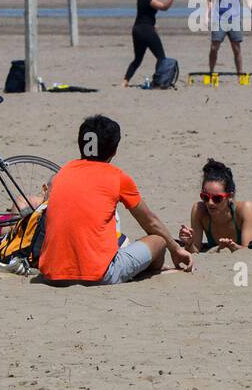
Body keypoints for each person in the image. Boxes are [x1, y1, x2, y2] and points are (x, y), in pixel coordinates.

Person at [37, 115, 192, 284]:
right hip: (99, 275)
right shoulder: (117, 177)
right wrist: (175, 249)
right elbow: (150, 222)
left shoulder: (63, 172)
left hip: (51, 274)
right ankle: (150, 271)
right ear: (114, 150)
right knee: (158, 240)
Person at [179, 158, 252, 251]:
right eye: (205, 197)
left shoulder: (246, 208)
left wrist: (234, 247)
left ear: (229, 196)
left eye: (217, 198)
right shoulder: (199, 210)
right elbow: (196, 251)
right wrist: (189, 243)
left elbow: (248, 251)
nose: (210, 203)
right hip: (247, 224)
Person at [123, 0, 177, 86]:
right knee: (161, 57)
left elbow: (145, 15)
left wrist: (153, 25)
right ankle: (159, 81)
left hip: (137, 30)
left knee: (137, 59)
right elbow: (164, 7)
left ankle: (125, 82)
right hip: (145, 30)